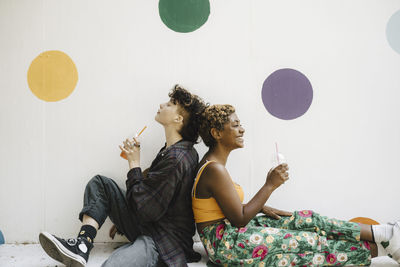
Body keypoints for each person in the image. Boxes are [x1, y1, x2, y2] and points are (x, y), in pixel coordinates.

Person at [192, 104, 400, 266]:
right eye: (235, 125)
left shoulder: (214, 165)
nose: (242, 129)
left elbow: (223, 207)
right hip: (226, 244)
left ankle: (383, 233)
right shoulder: (214, 169)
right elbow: (239, 219)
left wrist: (260, 206)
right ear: (217, 133)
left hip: (228, 231)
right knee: (310, 243)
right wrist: (269, 186)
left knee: (306, 219)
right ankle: (385, 248)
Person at [39, 85, 207, 267]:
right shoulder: (174, 150)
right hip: (151, 225)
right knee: (100, 184)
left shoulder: (177, 158)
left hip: (164, 242)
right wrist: (124, 214)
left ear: (178, 118)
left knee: (112, 265)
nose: (162, 104)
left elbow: (146, 210)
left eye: (170, 103)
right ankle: (82, 245)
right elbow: (150, 192)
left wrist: (133, 163)